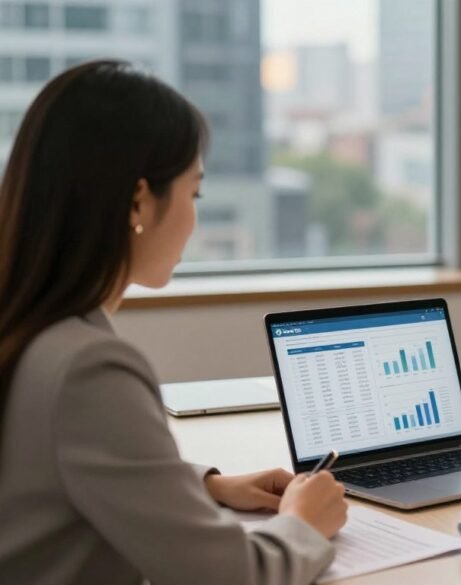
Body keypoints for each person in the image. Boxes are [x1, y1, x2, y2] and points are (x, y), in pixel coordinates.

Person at [0, 61, 348, 584]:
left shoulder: (26, 327)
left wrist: (203, 486)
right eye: (194, 193)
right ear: (139, 201)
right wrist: (304, 524)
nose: (194, 218)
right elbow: (230, 577)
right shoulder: (87, 367)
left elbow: (38, 471)